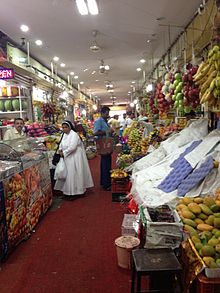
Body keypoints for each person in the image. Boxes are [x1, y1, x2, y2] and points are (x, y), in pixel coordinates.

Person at [54, 120, 94, 199]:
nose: (64, 129)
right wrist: (60, 150)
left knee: (75, 174)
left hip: (75, 157)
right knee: (68, 175)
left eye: (66, 127)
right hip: (67, 157)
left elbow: (73, 147)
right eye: (63, 127)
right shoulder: (64, 135)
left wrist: (64, 152)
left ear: (70, 127)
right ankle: (67, 192)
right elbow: (61, 144)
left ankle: (77, 192)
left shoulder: (74, 135)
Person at [93, 106, 113, 191]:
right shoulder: (98, 121)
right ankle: (106, 184)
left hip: (106, 144)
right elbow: (95, 132)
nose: (108, 115)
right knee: (106, 164)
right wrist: (106, 132)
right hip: (103, 145)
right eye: (106, 113)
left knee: (106, 163)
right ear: (102, 113)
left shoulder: (105, 121)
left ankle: (104, 181)